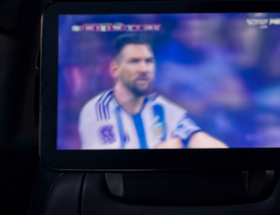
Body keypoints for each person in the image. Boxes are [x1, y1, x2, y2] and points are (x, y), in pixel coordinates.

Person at [78, 34, 227, 150]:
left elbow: (199, 139)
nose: (144, 69)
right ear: (115, 69)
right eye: (134, 61)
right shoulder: (97, 110)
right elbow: (104, 167)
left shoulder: (161, 107)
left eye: (148, 61)